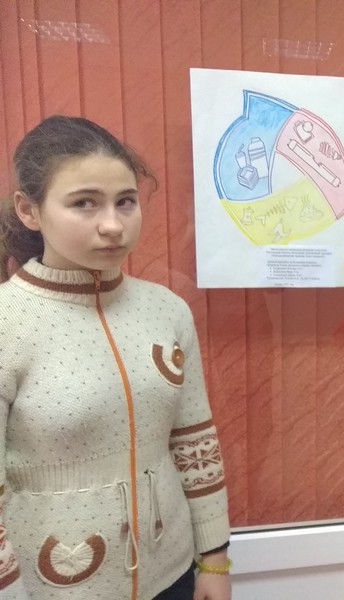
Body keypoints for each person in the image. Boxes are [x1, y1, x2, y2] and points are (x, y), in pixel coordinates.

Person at [0, 116, 232, 600]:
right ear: (28, 210)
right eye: (84, 203)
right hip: (51, 588)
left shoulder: (167, 309)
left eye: (125, 201)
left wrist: (214, 560)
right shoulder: (8, 322)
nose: (113, 225)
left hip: (171, 574)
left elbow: (195, 445)